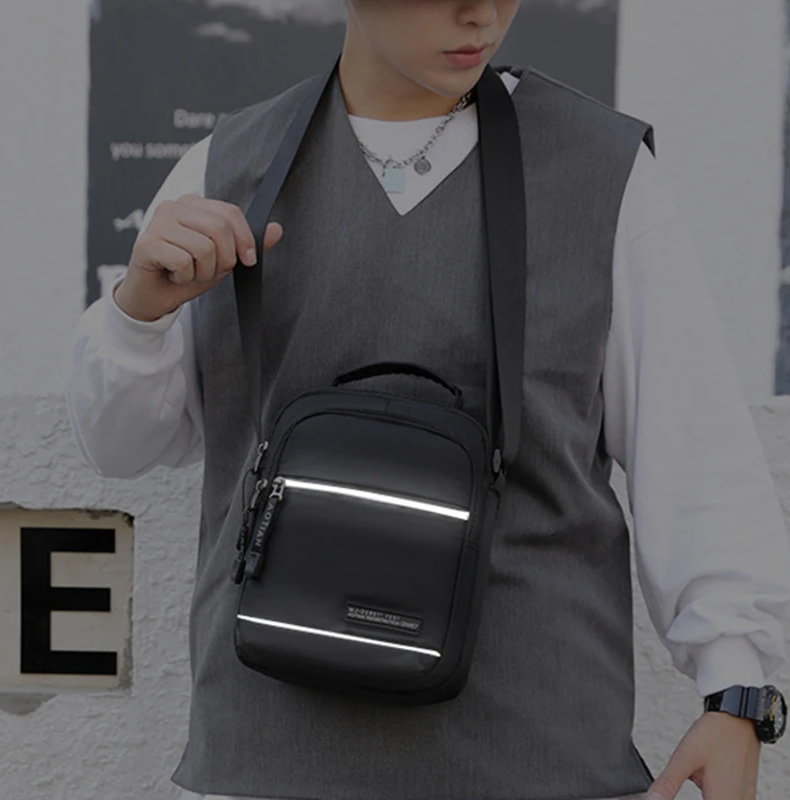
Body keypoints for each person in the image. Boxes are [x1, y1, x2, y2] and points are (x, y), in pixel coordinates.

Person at [65, 2, 790, 799]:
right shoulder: (229, 171)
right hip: (273, 756)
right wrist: (136, 316)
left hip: (537, 757)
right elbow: (120, 448)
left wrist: (738, 694)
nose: (481, 12)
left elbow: (695, 458)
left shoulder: (600, 173)